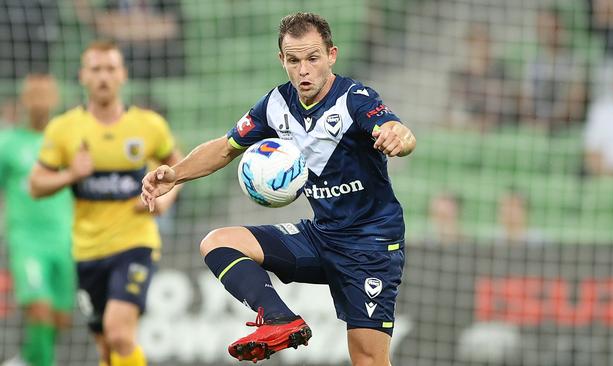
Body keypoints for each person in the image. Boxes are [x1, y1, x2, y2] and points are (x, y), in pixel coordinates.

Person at [141, 12, 416, 365]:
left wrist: (400, 136)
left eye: (313, 58)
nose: (303, 70)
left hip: (370, 245)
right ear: (281, 60)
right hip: (321, 236)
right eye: (294, 60)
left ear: (331, 55)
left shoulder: (355, 99)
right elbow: (226, 147)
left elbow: (396, 130)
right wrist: (174, 175)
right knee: (218, 242)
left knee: (367, 360)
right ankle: (280, 319)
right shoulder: (276, 104)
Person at [28, 41, 183, 366]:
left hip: (135, 243)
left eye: (110, 69)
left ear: (123, 75)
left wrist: (165, 199)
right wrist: (71, 174)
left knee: (119, 334)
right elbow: (36, 184)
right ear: (83, 76)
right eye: (96, 69)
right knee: (106, 350)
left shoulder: (148, 125)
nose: (103, 77)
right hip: (87, 251)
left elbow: (177, 166)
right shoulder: (64, 128)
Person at [0, 74, 73, 366]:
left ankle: (28, 360)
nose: (40, 102)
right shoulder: (8, 143)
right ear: (24, 99)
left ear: (55, 99)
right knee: (39, 308)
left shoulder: (66, 142)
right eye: (34, 95)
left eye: (46, 95)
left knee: (59, 318)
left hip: (65, 239)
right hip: (26, 239)